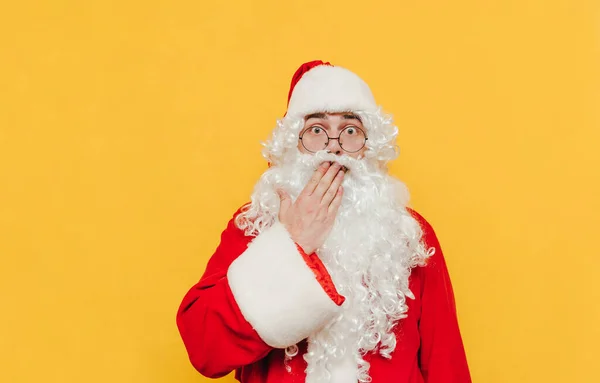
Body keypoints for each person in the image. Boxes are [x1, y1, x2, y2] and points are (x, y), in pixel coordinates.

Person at [176, 60, 472, 383]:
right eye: (316, 130)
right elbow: (203, 346)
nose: (333, 148)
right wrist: (292, 243)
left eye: (350, 131)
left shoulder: (410, 236)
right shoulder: (255, 223)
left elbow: (447, 366)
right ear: (292, 145)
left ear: (369, 147)